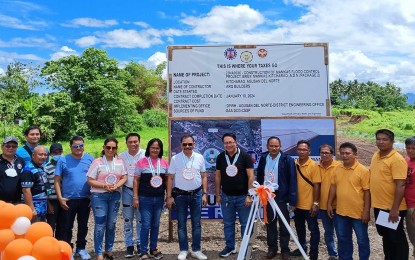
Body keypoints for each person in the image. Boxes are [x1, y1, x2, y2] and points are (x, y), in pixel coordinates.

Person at [166, 134, 208, 260]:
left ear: (194, 144)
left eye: (190, 144)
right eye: (185, 144)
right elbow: (170, 178)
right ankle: (183, 250)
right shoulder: (175, 159)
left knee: (196, 223)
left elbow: (204, 176)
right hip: (180, 195)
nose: (188, 146)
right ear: (181, 145)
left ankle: (196, 250)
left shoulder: (200, 157)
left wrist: (205, 193)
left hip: (196, 194)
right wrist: (168, 196)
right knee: (181, 224)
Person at [328, 142, 370, 260]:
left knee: (362, 240)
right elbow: (333, 187)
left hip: (358, 213)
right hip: (341, 212)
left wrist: (366, 211)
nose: (344, 156)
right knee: (343, 238)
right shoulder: (337, 168)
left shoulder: (363, 170)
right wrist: (329, 204)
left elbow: (367, 192)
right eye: (342, 153)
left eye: (348, 153)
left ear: (355, 154)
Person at [256, 136, 297, 260]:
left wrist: (293, 200)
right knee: (270, 223)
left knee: (284, 224)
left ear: (280, 146)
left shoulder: (287, 159)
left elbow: (293, 180)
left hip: (281, 196)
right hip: (267, 195)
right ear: (267, 146)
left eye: (276, 146)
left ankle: (285, 250)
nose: (274, 148)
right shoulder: (263, 158)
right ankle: (272, 248)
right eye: (271, 146)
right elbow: (259, 176)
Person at [370, 129, 409, 259]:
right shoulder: (376, 155)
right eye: (378, 139)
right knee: (385, 235)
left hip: (392, 207)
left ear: (392, 142)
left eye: (385, 139)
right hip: (380, 205)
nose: (381, 142)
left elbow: (401, 185)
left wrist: (395, 208)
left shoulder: (396, 159)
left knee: (396, 237)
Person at [215, 133, 254, 258]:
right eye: (226, 143)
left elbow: (251, 176)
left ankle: (245, 250)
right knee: (228, 223)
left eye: (230, 142)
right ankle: (230, 247)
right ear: (223, 144)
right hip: (226, 196)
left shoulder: (245, 156)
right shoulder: (221, 157)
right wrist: (218, 194)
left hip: (243, 197)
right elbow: (218, 176)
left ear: (235, 142)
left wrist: (249, 194)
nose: (228, 145)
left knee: (245, 225)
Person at [87, 137, 127, 260]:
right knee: (100, 224)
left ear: (116, 149)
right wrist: (104, 185)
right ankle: (98, 252)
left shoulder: (120, 161)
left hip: (114, 195)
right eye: (108, 147)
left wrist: (116, 186)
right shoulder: (97, 162)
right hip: (99, 196)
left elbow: (124, 177)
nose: (110, 150)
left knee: (112, 224)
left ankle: (108, 250)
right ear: (103, 148)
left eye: (113, 148)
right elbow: (90, 180)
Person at [55, 136, 94, 260]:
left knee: (83, 225)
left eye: (81, 145)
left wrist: (93, 196)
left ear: (84, 145)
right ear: (70, 147)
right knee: (67, 226)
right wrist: (60, 198)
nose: (78, 148)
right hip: (68, 200)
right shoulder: (63, 160)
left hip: (85, 198)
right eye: (75, 146)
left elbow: (95, 178)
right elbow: (57, 180)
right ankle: (68, 250)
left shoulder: (90, 159)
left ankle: (81, 248)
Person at [134, 138, 169, 260]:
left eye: (157, 148)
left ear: (160, 150)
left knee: (155, 224)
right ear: (149, 148)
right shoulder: (141, 162)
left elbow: (167, 181)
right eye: (153, 147)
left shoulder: (164, 163)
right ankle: (143, 251)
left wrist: (167, 196)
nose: (155, 150)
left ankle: (153, 249)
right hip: (145, 198)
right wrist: (135, 197)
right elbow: (136, 180)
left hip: (159, 198)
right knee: (145, 225)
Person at [291, 140, 320, 260]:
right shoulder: (293, 164)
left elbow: (317, 186)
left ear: (309, 151)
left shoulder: (313, 166)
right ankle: (302, 248)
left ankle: (314, 253)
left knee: (313, 230)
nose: (302, 152)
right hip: (297, 205)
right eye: (300, 149)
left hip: (309, 205)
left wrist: (315, 203)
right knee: (299, 228)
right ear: (296, 150)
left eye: (304, 150)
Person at [119, 133, 145, 258]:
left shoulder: (146, 154)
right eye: (130, 142)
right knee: (128, 219)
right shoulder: (121, 156)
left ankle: (140, 244)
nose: (133, 144)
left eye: (136, 141)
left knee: (141, 219)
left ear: (139, 141)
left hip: (142, 192)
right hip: (126, 191)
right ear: (126, 143)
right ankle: (129, 245)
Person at [316, 144, 340, 259]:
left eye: (327, 153)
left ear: (332, 154)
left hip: (338, 206)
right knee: (328, 232)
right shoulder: (317, 167)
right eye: (322, 153)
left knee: (341, 233)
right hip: (323, 206)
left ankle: (343, 254)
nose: (324, 155)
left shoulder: (339, 166)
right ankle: (332, 254)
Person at [21, 145, 49, 222]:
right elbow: (26, 190)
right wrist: (32, 209)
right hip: (33, 211)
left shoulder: (41, 168)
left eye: (45, 154)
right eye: (40, 154)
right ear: (33, 155)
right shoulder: (28, 170)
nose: (43, 157)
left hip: (42, 209)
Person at [44, 143, 63, 236]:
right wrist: (48, 203)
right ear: (51, 154)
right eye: (55, 152)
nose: (58, 154)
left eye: (60, 152)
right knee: (51, 224)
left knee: (62, 224)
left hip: (64, 199)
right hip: (52, 200)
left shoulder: (65, 165)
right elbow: (45, 186)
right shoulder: (46, 167)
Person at [0, 136, 25, 204]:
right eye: (8, 146)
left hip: (18, 202)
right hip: (1, 203)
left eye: (14, 146)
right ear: (2, 147)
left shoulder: (21, 161)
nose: (11, 148)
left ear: (17, 148)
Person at [404, 137, 415, 257]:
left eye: (413, 148)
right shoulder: (406, 160)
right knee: (412, 235)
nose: (410, 151)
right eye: (408, 148)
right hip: (405, 204)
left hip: (413, 206)